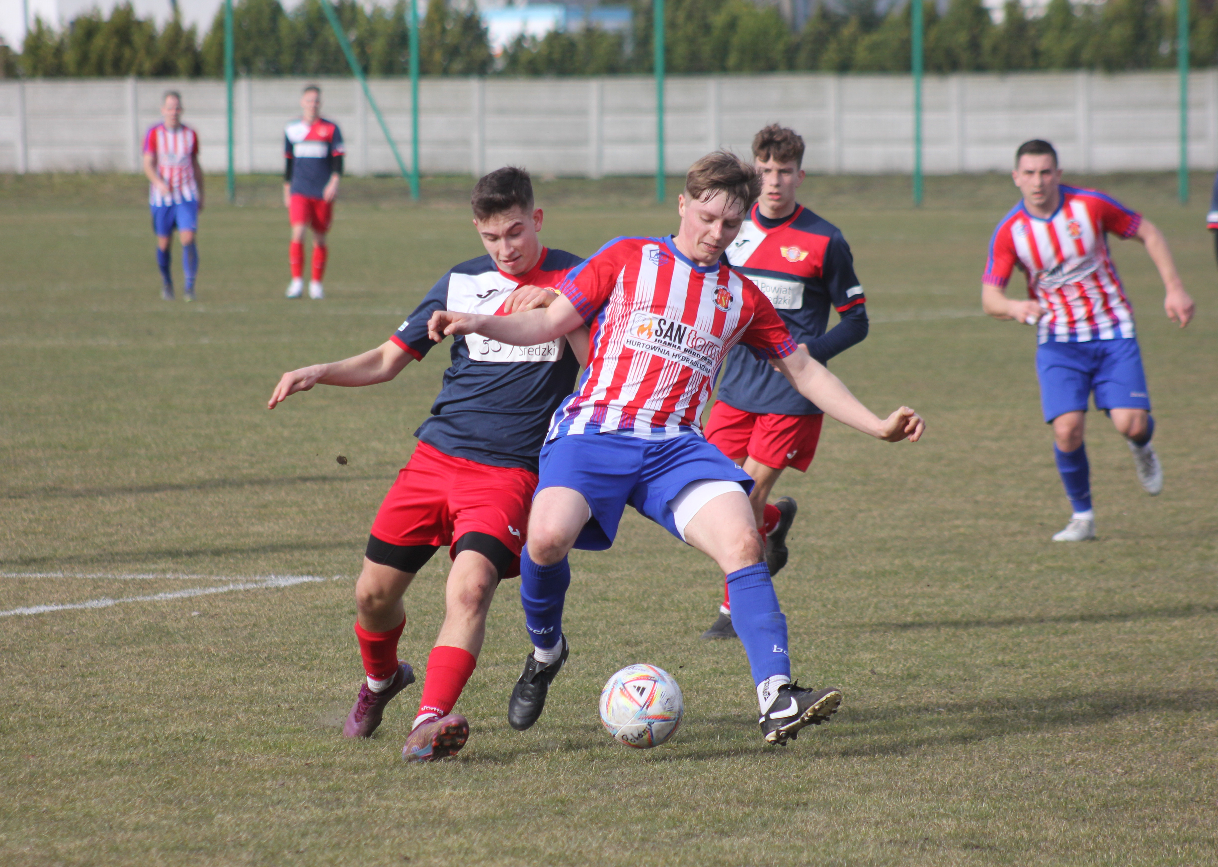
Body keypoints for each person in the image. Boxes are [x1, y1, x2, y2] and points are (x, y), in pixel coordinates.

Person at [427, 152, 924, 746]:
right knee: (547, 539)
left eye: (731, 225)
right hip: (595, 429)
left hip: (675, 447)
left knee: (744, 539)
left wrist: (876, 425)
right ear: (683, 204)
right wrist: (477, 321)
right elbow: (548, 322)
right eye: (708, 218)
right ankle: (546, 649)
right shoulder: (627, 257)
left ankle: (776, 697)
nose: (717, 235)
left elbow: (804, 371)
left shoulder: (743, 297)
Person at [269, 167, 586, 762]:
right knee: (372, 596)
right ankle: (382, 682)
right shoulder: (461, 281)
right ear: (478, 231)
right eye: (492, 238)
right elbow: (390, 359)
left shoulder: (578, 277)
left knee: (468, 592)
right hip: (434, 458)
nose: (505, 249)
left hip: (509, 471)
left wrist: (556, 302)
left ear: (537, 219)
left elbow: (600, 358)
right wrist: (322, 370)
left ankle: (429, 720)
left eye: (516, 232)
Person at [700, 124, 869, 640]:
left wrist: (801, 356)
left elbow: (857, 321)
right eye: (766, 170)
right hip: (736, 387)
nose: (774, 181)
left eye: (785, 172)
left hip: (792, 394)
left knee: (744, 494)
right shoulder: (733, 230)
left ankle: (734, 612)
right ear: (755, 170)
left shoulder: (824, 239)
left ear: (801, 174)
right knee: (710, 491)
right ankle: (773, 521)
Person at [981, 139, 1195, 542]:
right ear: (1016, 178)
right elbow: (989, 297)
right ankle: (1083, 517)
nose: (1038, 181)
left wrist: (1175, 288)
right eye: (1029, 173)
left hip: (1113, 331)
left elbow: (1148, 232)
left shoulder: (1091, 205)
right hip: (1059, 341)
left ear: (1058, 174)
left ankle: (1142, 446)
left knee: (1131, 425)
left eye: (1046, 172)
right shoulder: (1011, 231)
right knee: (1067, 429)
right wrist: (1014, 307)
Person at [283, 85, 345, 300]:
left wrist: (334, 182)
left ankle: (316, 284)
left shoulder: (330, 129)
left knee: (319, 238)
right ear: (302, 103)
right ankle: (297, 282)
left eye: (316, 101)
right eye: (309, 100)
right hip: (299, 190)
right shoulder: (292, 129)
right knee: (298, 232)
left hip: (322, 192)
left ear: (321, 103)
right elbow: (289, 161)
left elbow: (338, 159)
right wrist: (286, 188)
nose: (313, 104)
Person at [142, 91, 203, 301]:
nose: (173, 112)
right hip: (162, 199)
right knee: (164, 243)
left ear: (181, 110)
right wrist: (159, 183)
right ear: (163, 110)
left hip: (186, 196)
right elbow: (148, 164)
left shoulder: (190, 135)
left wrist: (201, 193)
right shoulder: (154, 134)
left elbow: (195, 165)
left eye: (177, 108)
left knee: (188, 237)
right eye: (169, 108)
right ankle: (167, 283)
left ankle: (189, 287)